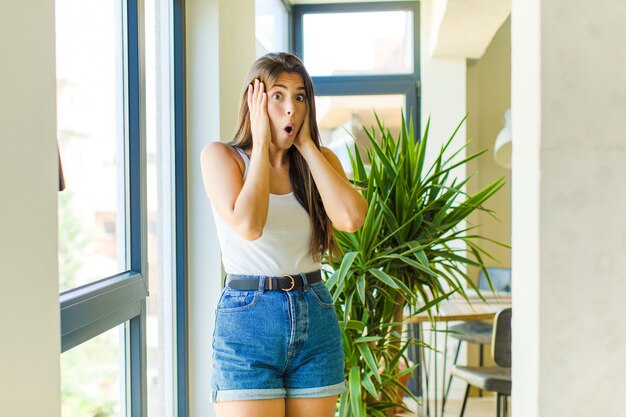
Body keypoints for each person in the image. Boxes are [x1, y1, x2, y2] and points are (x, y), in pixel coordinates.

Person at [200, 52, 368, 417]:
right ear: (255, 100)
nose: (290, 107)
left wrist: (307, 147)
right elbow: (249, 225)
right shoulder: (222, 157)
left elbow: (352, 219)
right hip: (249, 317)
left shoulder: (319, 161)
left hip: (314, 311)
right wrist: (262, 146)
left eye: (299, 96)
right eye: (277, 95)